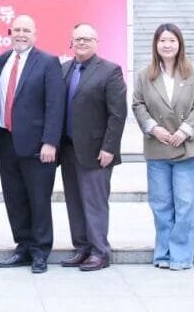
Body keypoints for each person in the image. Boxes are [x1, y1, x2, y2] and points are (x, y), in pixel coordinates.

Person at [0, 15, 65, 274]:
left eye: (26, 30)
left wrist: (50, 142)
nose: (20, 34)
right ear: (10, 32)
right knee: (14, 198)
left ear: (35, 34)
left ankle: (40, 251)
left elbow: (55, 105)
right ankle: (23, 246)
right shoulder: (1, 61)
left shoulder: (48, 62)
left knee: (38, 198)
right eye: (16, 29)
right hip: (5, 140)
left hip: (37, 145)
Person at [132, 23, 194, 271]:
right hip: (158, 147)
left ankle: (181, 255)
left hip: (187, 146)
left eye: (172, 40)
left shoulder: (193, 72)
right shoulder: (146, 74)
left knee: (186, 204)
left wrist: (185, 130)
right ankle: (163, 253)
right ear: (155, 44)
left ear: (179, 44)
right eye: (162, 40)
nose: (167, 45)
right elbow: (138, 104)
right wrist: (154, 128)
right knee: (161, 203)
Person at [59, 22, 127, 272]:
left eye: (87, 39)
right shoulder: (65, 68)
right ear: (71, 42)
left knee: (94, 202)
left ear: (96, 42)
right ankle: (82, 248)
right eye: (78, 39)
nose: (82, 43)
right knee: (74, 201)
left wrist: (110, 147)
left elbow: (117, 114)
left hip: (97, 150)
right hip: (68, 149)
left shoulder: (110, 71)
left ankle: (100, 252)